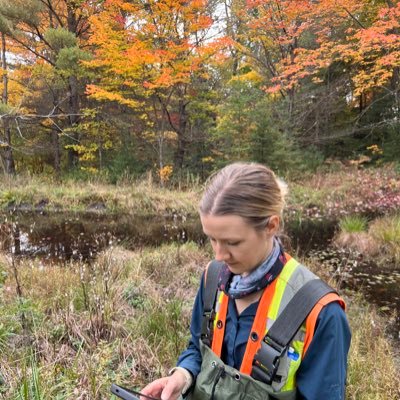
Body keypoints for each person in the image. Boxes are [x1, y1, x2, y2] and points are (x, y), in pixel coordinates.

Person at [142, 162, 351, 400]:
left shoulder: (322, 313)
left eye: (232, 243)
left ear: (272, 226)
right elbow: (197, 348)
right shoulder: (213, 278)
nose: (219, 255)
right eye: (212, 239)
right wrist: (183, 375)